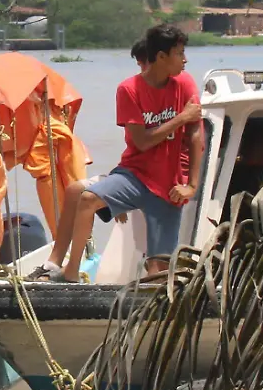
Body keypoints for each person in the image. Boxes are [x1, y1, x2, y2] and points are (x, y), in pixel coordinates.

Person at [50, 24, 203, 279]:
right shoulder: (128, 89)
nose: (185, 60)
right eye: (179, 54)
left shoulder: (185, 82)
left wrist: (192, 185)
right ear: (161, 57)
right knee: (86, 198)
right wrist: (180, 118)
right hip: (135, 175)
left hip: (168, 188)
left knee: (158, 270)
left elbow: (195, 134)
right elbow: (142, 142)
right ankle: (70, 272)